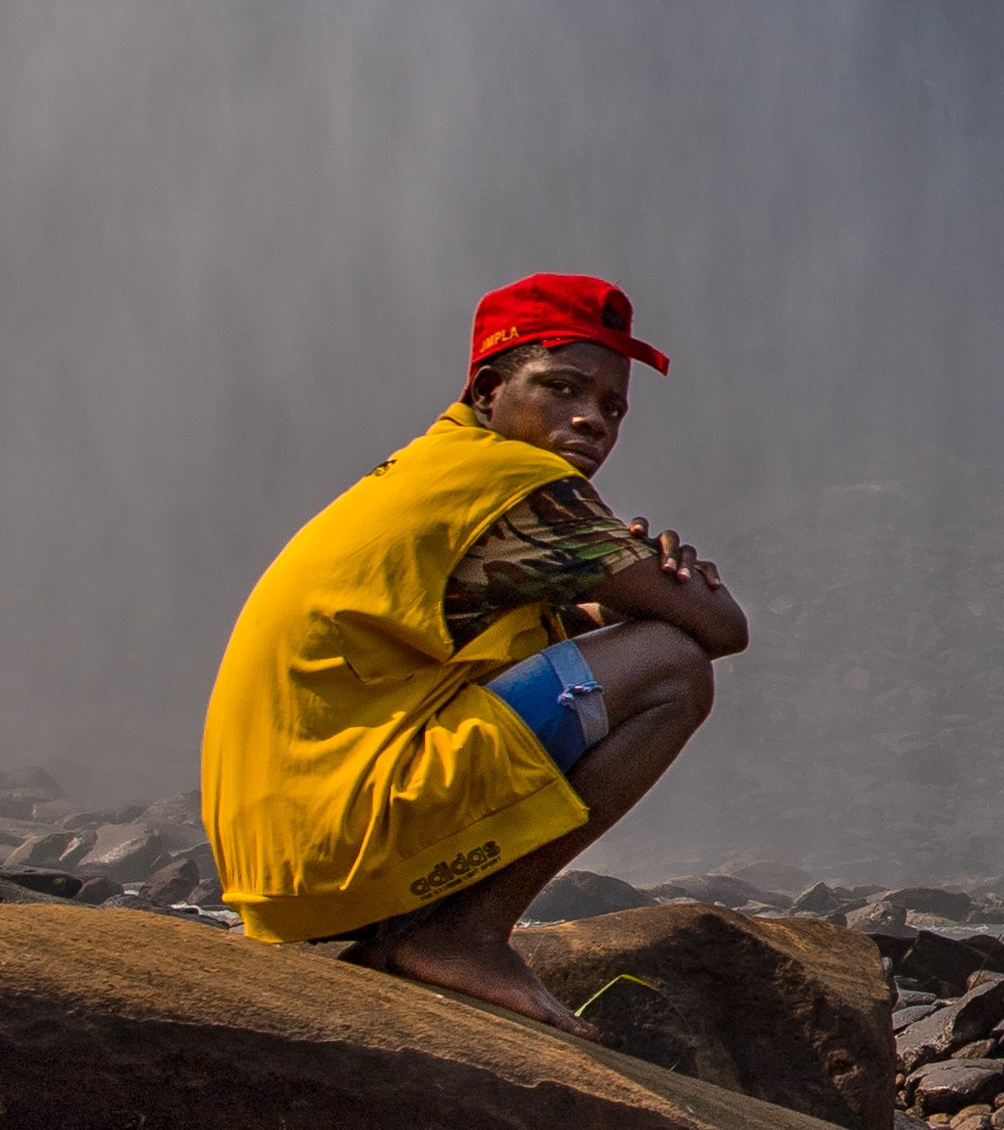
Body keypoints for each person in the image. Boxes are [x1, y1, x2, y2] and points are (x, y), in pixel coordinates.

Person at [198, 273, 750, 1027]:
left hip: (283, 867)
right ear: (490, 387)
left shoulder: (436, 472)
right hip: (346, 837)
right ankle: (463, 933)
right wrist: (675, 585)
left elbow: (498, 638)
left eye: (611, 408)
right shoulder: (522, 482)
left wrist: (614, 595)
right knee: (669, 667)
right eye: (563, 388)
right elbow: (719, 631)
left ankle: (422, 924)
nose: (590, 421)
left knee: (633, 648)